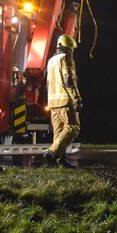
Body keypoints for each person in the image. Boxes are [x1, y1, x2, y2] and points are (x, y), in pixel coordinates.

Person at [44, 35, 82, 166]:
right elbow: (68, 80)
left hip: (53, 102)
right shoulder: (66, 58)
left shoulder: (51, 60)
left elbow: (48, 83)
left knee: (59, 133)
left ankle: (60, 160)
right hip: (66, 100)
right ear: (69, 47)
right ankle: (52, 153)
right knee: (73, 127)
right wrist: (77, 99)